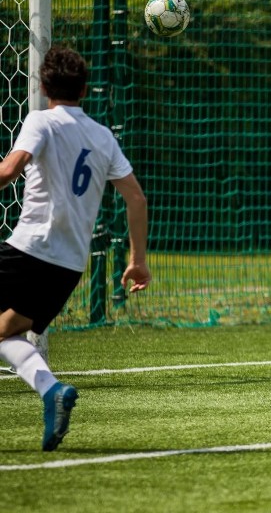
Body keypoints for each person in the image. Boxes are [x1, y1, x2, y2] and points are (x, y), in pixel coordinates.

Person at [0, 45, 151, 451]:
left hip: (29, 248)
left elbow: (9, 170)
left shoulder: (42, 121)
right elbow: (136, 198)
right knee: (5, 331)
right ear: (85, 90)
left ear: (43, 86)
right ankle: (51, 391)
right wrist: (138, 261)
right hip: (67, 265)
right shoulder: (102, 136)